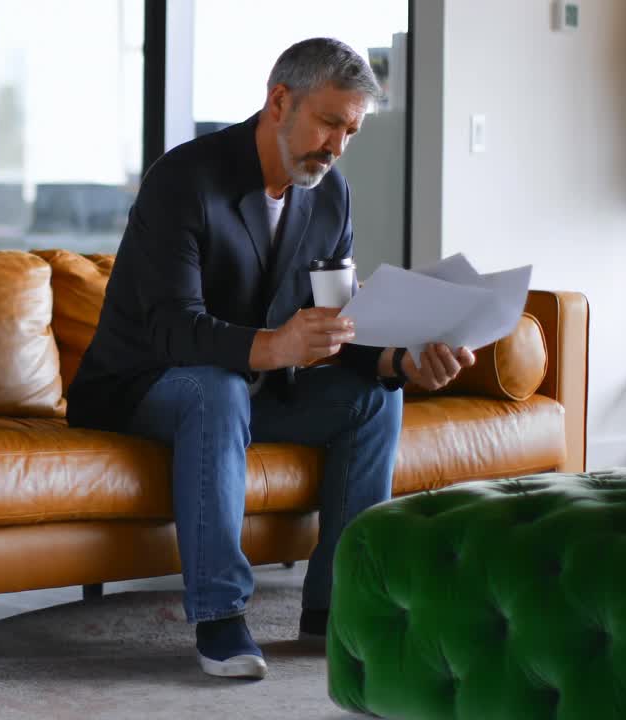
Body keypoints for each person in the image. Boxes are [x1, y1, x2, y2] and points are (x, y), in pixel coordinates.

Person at [65, 38, 475, 679]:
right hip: (142, 384)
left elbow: (342, 324)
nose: (337, 145)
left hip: (250, 389)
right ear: (279, 100)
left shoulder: (332, 195)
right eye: (330, 122)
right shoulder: (184, 180)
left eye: (351, 130)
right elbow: (172, 328)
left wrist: (400, 361)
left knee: (374, 400)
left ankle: (338, 607)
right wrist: (276, 345)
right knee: (215, 387)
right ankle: (221, 615)